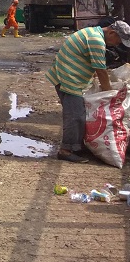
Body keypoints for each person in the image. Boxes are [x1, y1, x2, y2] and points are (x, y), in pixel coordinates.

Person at [45, 21, 130, 163]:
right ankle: (66, 151)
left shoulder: (93, 33)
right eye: (119, 40)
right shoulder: (96, 40)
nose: (117, 44)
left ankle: (76, 146)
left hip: (66, 75)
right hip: (69, 79)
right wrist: (109, 93)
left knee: (80, 113)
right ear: (111, 33)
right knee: (75, 116)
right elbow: (101, 70)